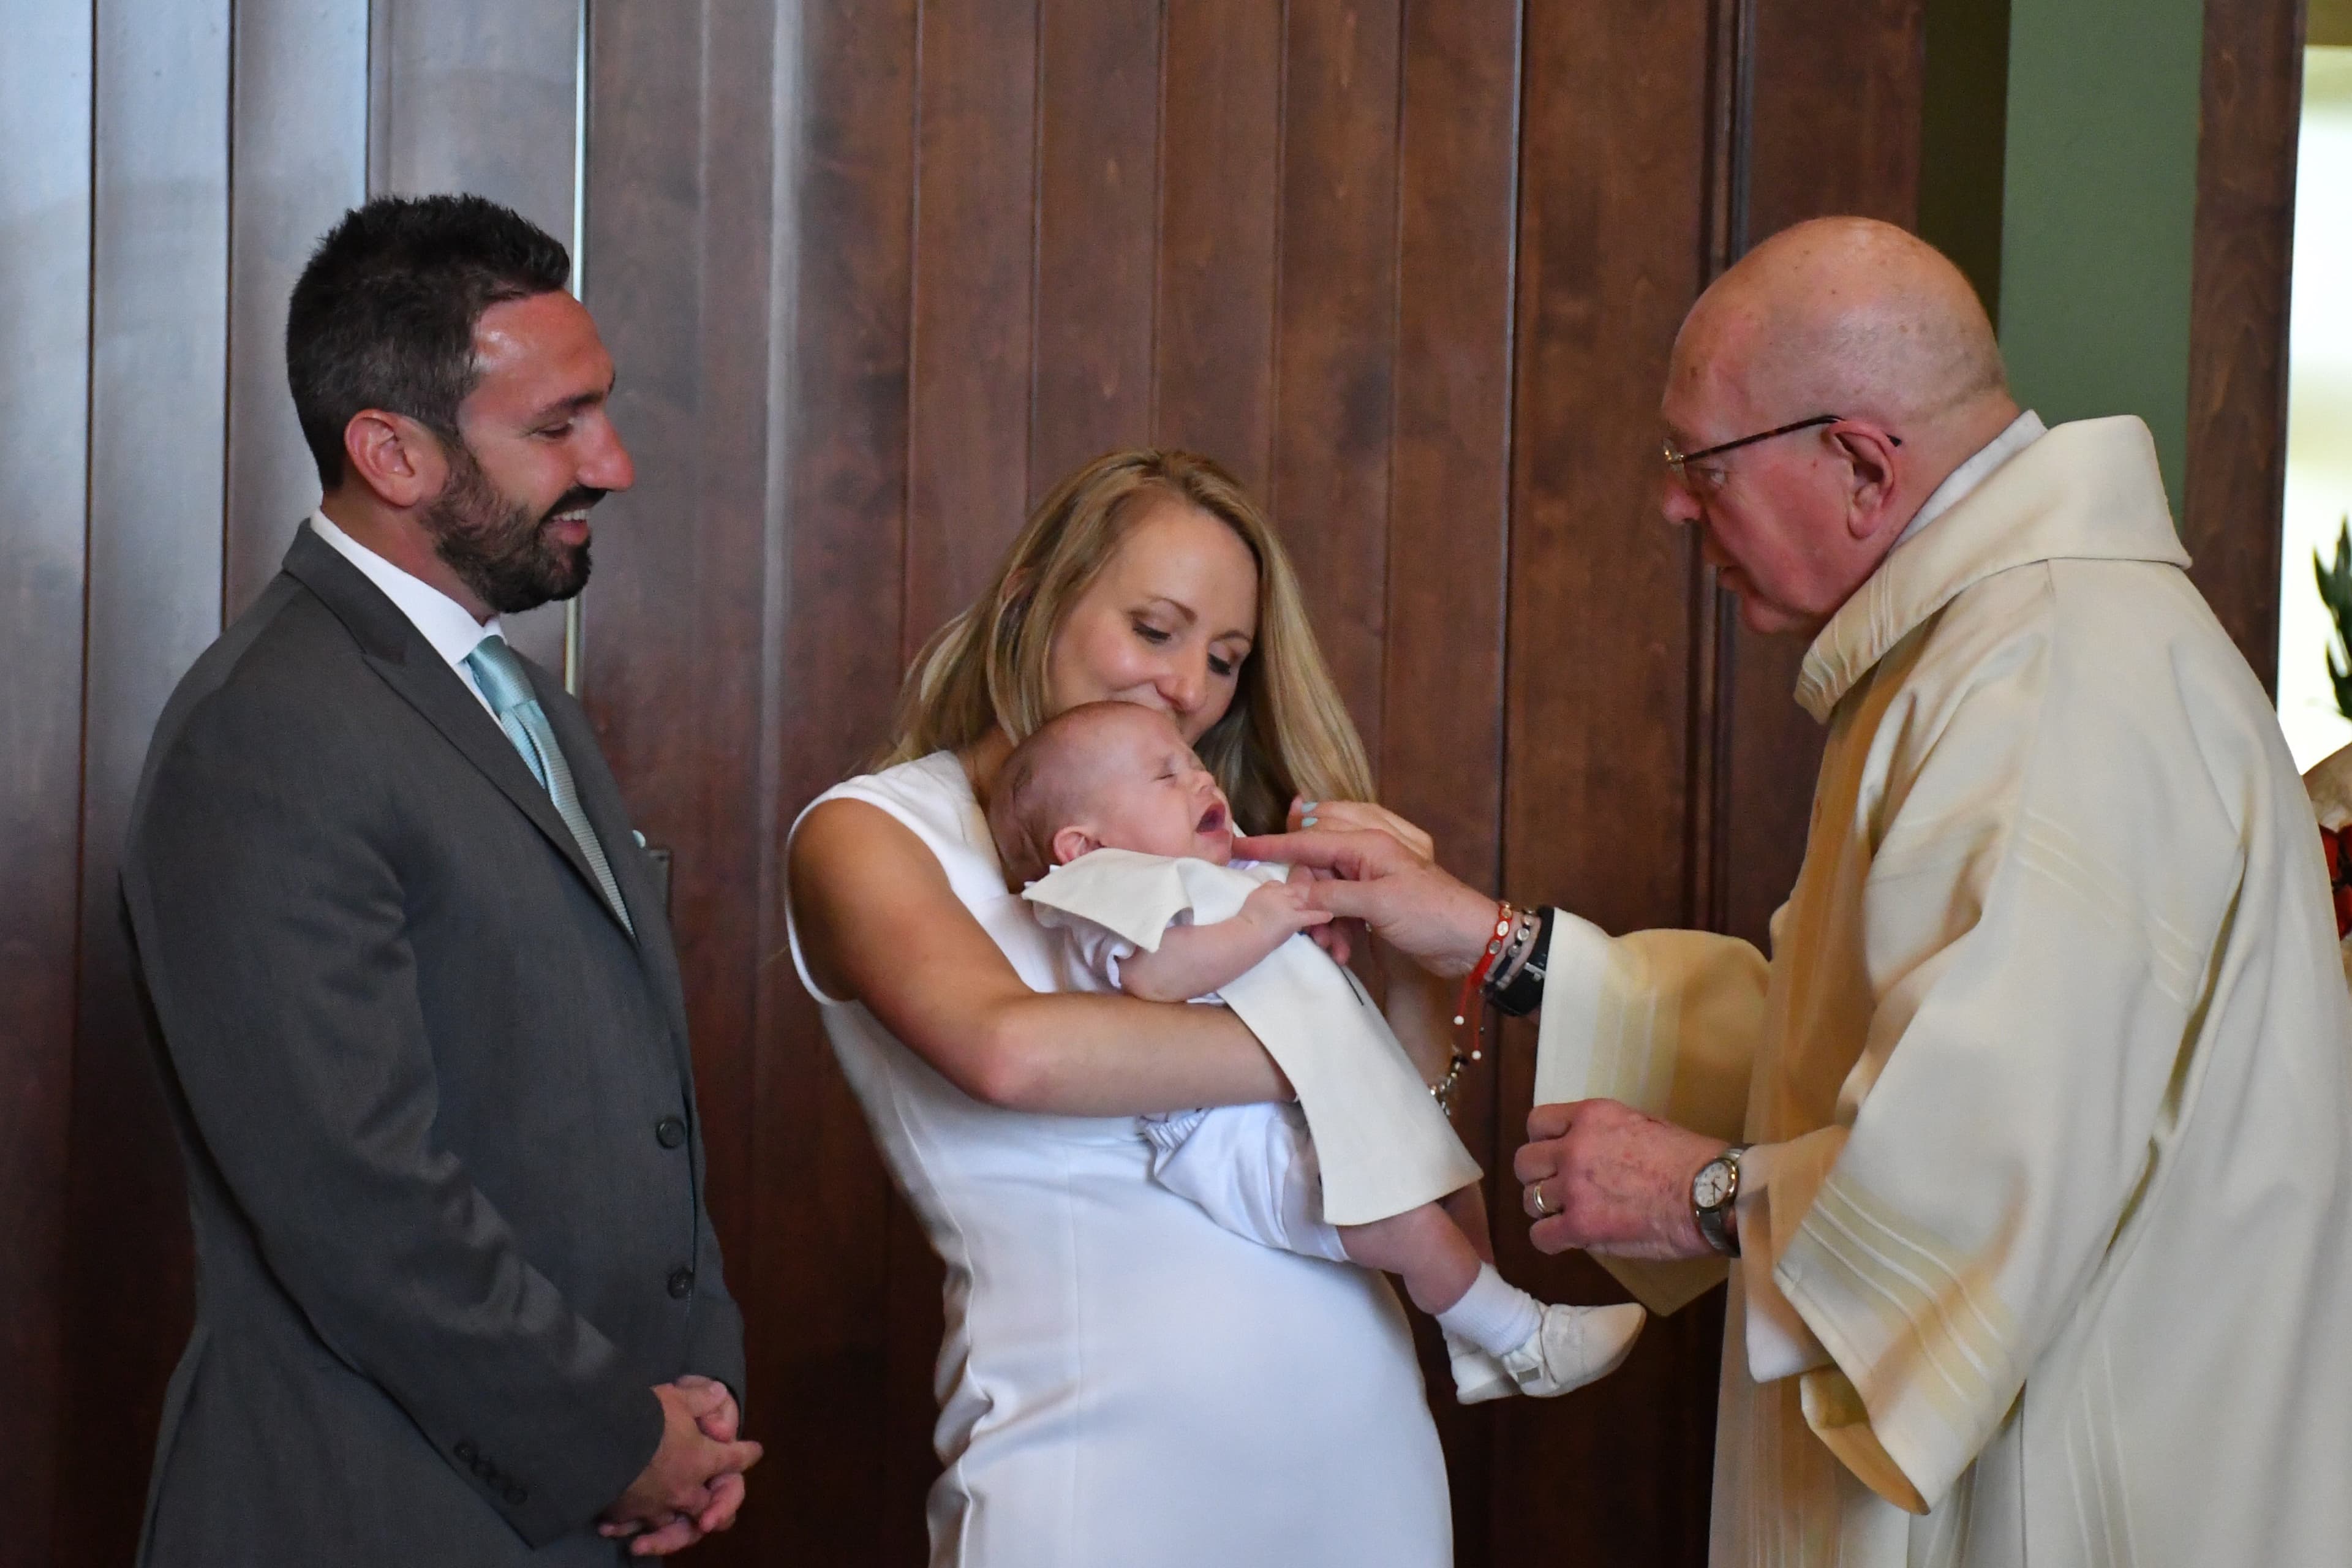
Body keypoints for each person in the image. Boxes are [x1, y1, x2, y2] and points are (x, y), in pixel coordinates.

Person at [1256, 217, 2352, 1566]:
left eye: (1699, 462)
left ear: (1860, 464)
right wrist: (1497, 945)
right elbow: (1859, 1050)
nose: (1670, 501)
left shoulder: (2056, 680)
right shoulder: (2002, 647)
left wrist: (1704, 1195)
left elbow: (1988, 1152)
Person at [122, 194, 760, 1565]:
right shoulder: (267, 730)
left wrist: (691, 1401)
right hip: (363, 1510)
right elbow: (360, 1197)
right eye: (556, 427)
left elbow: (623, 1097)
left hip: (576, 1496)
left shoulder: (520, 698)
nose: (616, 462)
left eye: (604, 410)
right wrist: (615, 1440)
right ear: (392, 453)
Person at [786, 450, 1455, 1566]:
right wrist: (1329, 1038)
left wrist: (1414, 968)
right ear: (1029, 598)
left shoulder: (1243, 875)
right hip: (1095, 1469)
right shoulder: (873, 831)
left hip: (1363, 1454)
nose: (1189, 688)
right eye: (1155, 630)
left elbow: (1417, 1166)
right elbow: (1013, 1054)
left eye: (1225, 658)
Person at [992, 699, 1647, 1402]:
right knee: (1400, 1222)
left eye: (1195, 764)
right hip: (1230, 1134)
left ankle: (1473, 1342)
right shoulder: (1109, 891)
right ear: (1082, 847)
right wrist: (1264, 922)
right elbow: (1155, 976)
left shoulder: (1222, 868)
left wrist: (1315, 918)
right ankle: (1527, 1338)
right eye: (1164, 776)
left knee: (1449, 1181)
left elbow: (1288, 940)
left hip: (1312, 1100)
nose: (1201, 782)